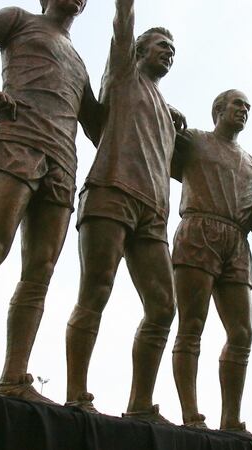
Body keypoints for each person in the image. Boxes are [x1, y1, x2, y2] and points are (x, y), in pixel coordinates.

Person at [0, 0, 101, 403]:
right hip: (16, 143)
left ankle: (14, 376)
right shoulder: (17, 19)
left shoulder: (79, 62)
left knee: (40, 271)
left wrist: (155, 110)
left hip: (63, 161)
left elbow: (99, 126)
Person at [64, 0, 183, 423]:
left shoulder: (168, 114)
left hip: (153, 213)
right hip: (111, 192)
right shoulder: (123, 72)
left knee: (163, 307)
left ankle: (139, 404)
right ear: (138, 50)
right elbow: (123, 22)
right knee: (96, 290)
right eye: (161, 45)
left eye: (173, 50)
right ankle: (76, 391)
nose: (169, 52)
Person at [170, 90, 252, 432]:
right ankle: (191, 414)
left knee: (242, 333)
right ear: (218, 109)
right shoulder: (194, 140)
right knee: (192, 325)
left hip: (237, 241)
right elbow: (155, 141)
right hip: (198, 230)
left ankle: (230, 419)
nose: (244, 111)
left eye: (248, 107)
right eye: (238, 104)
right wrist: (166, 113)